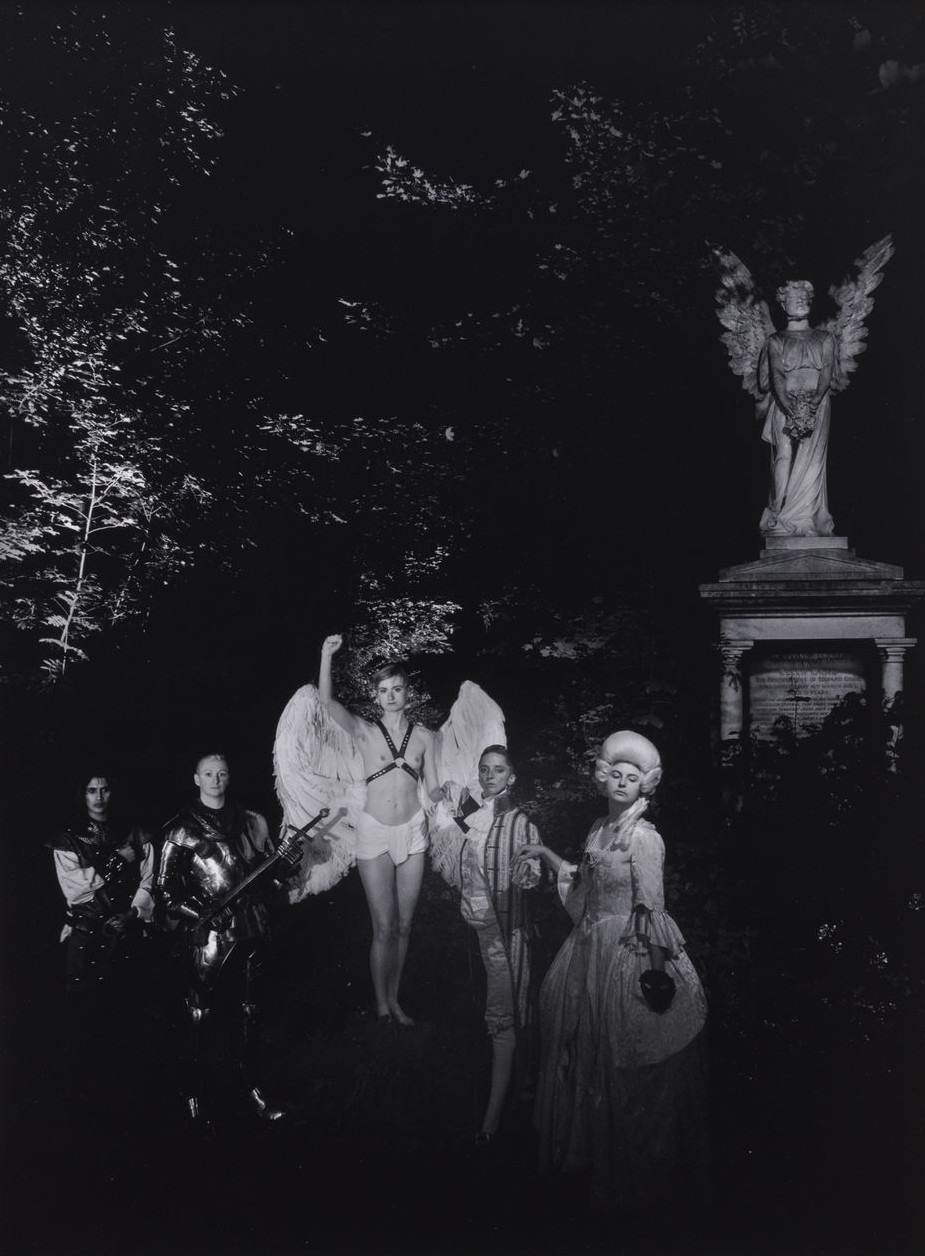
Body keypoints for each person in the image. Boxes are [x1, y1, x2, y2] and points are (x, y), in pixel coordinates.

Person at [517, 731, 709, 1211]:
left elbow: (651, 908)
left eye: (632, 777)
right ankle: (585, 1156)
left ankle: (634, 1175)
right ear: (604, 780)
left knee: (624, 1056)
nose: (622, 782)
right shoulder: (599, 828)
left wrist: (657, 973)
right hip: (587, 949)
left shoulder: (644, 838)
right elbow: (584, 889)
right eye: (616, 775)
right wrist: (545, 855)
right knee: (582, 1050)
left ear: (645, 786)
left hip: (629, 952)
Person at [157, 752, 301, 1123]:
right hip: (210, 939)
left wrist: (285, 864)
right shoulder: (180, 829)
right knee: (200, 1016)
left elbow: (267, 877)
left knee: (251, 1013)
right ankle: (194, 1094)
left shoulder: (251, 822)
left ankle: (254, 1090)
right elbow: (166, 891)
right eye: (209, 774)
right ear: (196, 778)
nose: (216, 780)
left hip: (254, 929)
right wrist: (201, 913)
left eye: (222, 773)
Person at [318, 633, 438, 1025]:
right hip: (374, 831)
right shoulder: (365, 731)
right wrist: (326, 656)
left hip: (413, 831)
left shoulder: (424, 736)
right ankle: (381, 1004)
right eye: (383, 690)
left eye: (396, 689)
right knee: (383, 926)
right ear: (376, 697)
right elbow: (326, 703)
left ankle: (396, 999)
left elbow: (432, 787)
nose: (390, 696)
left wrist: (452, 794)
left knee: (405, 925)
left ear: (407, 693)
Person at [430, 744, 542, 1143]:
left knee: (506, 1018)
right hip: (480, 930)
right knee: (494, 1016)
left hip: (505, 933)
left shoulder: (519, 822)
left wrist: (529, 873)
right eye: (484, 769)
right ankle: (508, 1100)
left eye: (498, 770)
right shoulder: (476, 819)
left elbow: (532, 869)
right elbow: (464, 868)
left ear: (511, 777)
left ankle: (495, 1121)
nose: (490, 775)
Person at [50, 770, 155, 1000]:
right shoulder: (70, 840)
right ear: (83, 795)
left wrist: (132, 913)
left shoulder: (135, 835)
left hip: (128, 933)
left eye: (104, 790)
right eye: (91, 791)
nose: (99, 797)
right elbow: (75, 890)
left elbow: (149, 881)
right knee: (87, 1014)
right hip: (86, 940)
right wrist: (117, 861)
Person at [757, 279, 836, 537]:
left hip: (818, 404)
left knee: (812, 461)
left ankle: (807, 520)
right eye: (794, 297)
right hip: (785, 403)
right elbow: (777, 374)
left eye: (804, 297)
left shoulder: (825, 338)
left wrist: (814, 401)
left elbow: (826, 372)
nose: (800, 300)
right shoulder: (776, 339)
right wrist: (787, 403)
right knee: (783, 457)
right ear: (783, 303)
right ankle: (779, 513)